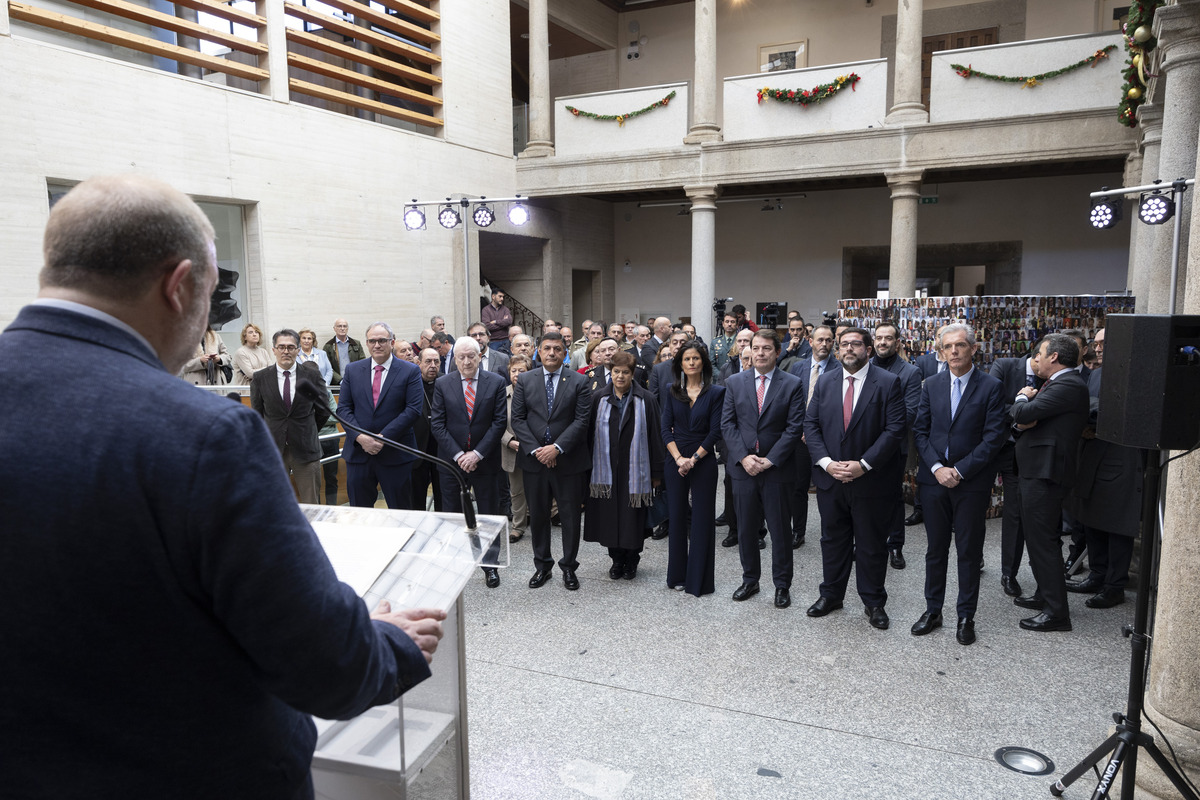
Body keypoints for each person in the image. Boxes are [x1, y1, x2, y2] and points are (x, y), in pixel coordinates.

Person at [0, 174, 444, 798]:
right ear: (178, 287)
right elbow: (325, 667)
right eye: (213, 297)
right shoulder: (204, 435)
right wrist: (387, 643)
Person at [910, 324, 1007, 645]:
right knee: (935, 550)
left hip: (971, 483)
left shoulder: (991, 386)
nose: (954, 351)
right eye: (947, 347)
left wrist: (960, 471)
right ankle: (932, 610)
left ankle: (966, 616)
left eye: (960, 345)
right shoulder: (931, 385)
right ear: (940, 352)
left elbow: (993, 437)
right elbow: (920, 432)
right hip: (933, 481)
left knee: (968, 551)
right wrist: (938, 468)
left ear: (973, 349)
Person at [804, 327, 906, 630]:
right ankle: (831, 595)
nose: (849, 349)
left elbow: (895, 429)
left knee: (871, 544)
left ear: (869, 350)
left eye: (856, 344)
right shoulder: (825, 382)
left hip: (871, 481)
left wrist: (864, 464)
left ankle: (873, 602)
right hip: (831, 479)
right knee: (832, 540)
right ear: (838, 350)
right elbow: (811, 424)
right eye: (844, 344)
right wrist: (825, 463)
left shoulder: (888, 383)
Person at [1010, 333, 1091, 632]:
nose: (1036, 360)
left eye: (1039, 354)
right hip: (1040, 471)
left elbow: (1022, 413)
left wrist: (1022, 397)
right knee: (1042, 538)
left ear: (1054, 357)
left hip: (1045, 474)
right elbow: (1021, 422)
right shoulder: (1059, 385)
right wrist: (1024, 414)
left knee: (1042, 541)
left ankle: (1057, 613)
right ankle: (1046, 594)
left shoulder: (1067, 385)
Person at [721, 330, 805, 608]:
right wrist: (744, 457)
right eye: (755, 348)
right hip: (743, 469)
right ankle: (750, 580)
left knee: (780, 529)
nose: (759, 353)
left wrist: (770, 460)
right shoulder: (734, 382)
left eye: (766, 348)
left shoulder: (792, 384)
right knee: (745, 528)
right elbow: (728, 424)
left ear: (777, 353)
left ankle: (782, 585)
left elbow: (794, 428)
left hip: (776, 469)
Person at [1064, 331, 1142, 609]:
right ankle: (1096, 575)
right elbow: (1090, 406)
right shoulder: (1096, 372)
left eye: (1101, 343)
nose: (1096, 349)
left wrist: (1094, 419)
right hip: (1092, 455)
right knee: (1091, 518)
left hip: (1120, 458)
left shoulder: (1138, 374)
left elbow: (1125, 414)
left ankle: (1114, 585)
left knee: (1116, 525)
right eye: (1095, 344)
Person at [511, 331, 592, 590]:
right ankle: (542, 566)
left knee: (569, 517)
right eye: (547, 348)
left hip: (568, 462)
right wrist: (538, 451)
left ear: (565, 352)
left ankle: (569, 567)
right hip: (534, 462)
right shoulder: (524, 379)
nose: (552, 353)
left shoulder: (579, 382)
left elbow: (581, 421)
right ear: (538, 351)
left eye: (557, 349)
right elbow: (518, 420)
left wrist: (556, 448)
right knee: (539, 516)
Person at [432, 337, 508, 588]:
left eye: (471, 356)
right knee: (453, 515)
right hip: (452, 462)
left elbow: (499, 423)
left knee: (488, 514)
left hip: (485, 461)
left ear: (479, 356)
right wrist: (458, 455)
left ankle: (490, 566)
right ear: (454, 359)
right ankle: (455, 564)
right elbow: (438, 424)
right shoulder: (443, 384)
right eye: (461, 357)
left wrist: (476, 454)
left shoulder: (495, 382)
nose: (466, 361)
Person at [584, 350, 664, 581]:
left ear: (633, 374)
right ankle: (616, 560)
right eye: (616, 372)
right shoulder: (598, 398)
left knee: (633, 519)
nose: (620, 376)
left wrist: (657, 473)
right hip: (606, 472)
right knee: (609, 519)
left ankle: (632, 560)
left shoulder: (646, 399)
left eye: (625, 372)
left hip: (635, 472)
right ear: (611, 373)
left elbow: (655, 437)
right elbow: (589, 435)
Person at [338, 322, 424, 509]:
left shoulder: (410, 371)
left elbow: (413, 410)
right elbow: (343, 409)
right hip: (359, 454)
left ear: (392, 342)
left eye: (382, 340)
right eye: (372, 341)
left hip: (395, 453)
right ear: (367, 343)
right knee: (360, 515)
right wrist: (361, 438)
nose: (377, 345)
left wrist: (383, 438)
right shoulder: (353, 370)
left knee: (401, 514)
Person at [662, 342, 724, 596]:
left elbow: (716, 431)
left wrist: (694, 459)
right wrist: (678, 459)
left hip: (704, 458)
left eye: (696, 358)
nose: (691, 363)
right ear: (680, 364)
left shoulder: (717, 392)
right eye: (686, 359)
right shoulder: (671, 390)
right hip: (675, 459)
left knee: (702, 519)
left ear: (703, 363)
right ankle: (677, 575)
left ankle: (699, 580)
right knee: (676, 517)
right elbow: (665, 427)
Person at [250, 329, 330, 504]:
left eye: (291, 347)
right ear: (274, 349)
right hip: (274, 450)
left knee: (312, 503)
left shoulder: (312, 375)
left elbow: (323, 410)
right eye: (281, 347)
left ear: (298, 349)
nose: (286, 351)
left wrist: (307, 429)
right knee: (274, 502)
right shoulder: (260, 378)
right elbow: (257, 415)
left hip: (306, 449)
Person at [871, 322, 922, 570]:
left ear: (897, 342)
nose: (883, 342)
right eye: (879, 337)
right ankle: (869, 544)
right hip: (862, 447)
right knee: (865, 498)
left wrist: (875, 431)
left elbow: (909, 413)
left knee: (892, 498)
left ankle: (895, 546)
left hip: (894, 447)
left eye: (888, 338)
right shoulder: (864, 367)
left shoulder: (910, 373)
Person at [988, 350, 1034, 597]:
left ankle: (1009, 573)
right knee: (973, 509)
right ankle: (974, 560)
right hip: (991, 448)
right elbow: (992, 403)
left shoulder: (1052, 378)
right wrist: (1022, 409)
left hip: (1022, 454)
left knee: (1015, 515)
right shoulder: (1004, 366)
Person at [502, 355, 534, 543]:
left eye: (521, 370)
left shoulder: (536, 392)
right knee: (516, 491)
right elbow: (496, 422)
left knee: (537, 489)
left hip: (533, 450)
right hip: (511, 449)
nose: (517, 374)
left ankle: (538, 522)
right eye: (513, 371)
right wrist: (509, 441)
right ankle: (518, 527)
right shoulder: (502, 393)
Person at [411, 347, 443, 512]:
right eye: (428, 361)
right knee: (416, 500)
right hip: (418, 448)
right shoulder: (411, 383)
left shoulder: (446, 382)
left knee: (443, 498)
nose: (433, 365)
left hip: (441, 449)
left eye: (436, 361)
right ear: (418, 363)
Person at [322, 318, 365, 385]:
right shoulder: (328, 346)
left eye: (345, 326)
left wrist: (355, 377)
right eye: (339, 326)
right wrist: (340, 380)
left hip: (355, 382)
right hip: (337, 385)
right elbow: (327, 368)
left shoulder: (356, 344)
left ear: (347, 328)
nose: (342, 328)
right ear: (334, 328)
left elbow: (362, 363)